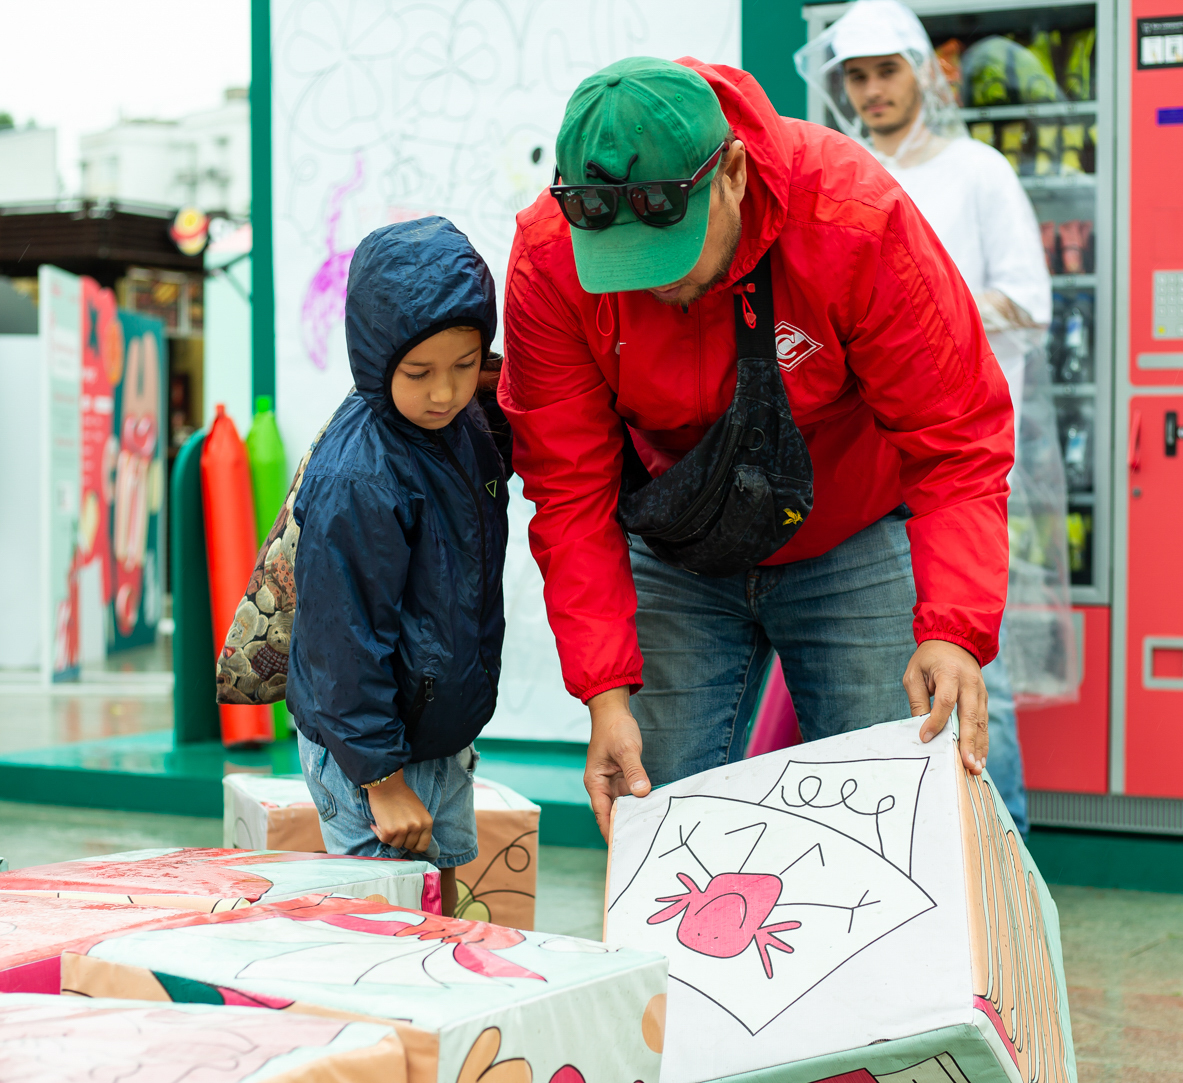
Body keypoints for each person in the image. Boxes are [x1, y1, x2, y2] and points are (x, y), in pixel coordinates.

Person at [499, 55, 1013, 835]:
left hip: (848, 531)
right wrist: (604, 692)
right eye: (622, 264)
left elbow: (957, 437)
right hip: (676, 545)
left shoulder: (851, 216)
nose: (649, 284)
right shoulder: (550, 256)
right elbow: (568, 487)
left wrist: (954, 630)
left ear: (732, 174)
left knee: (892, 814)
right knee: (655, 811)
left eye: (667, 252)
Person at [797, 0, 1075, 833]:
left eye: (886, 71)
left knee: (974, 653)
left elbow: (1029, 302)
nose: (871, 90)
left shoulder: (978, 172)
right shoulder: (843, 172)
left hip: (958, 458)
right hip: (859, 471)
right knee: (890, 667)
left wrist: (917, 312)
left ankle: (999, 848)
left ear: (924, 71)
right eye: (856, 77)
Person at [285, 217, 507, 912]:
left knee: (441, 910)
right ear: (375, 357)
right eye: (419, 373)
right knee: (388, 926)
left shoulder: (465, 426)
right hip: (369, 756)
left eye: (465, 365)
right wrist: (381, 779)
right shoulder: (360, 476)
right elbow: (341, 643)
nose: (444, 392)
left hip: (437, 735)